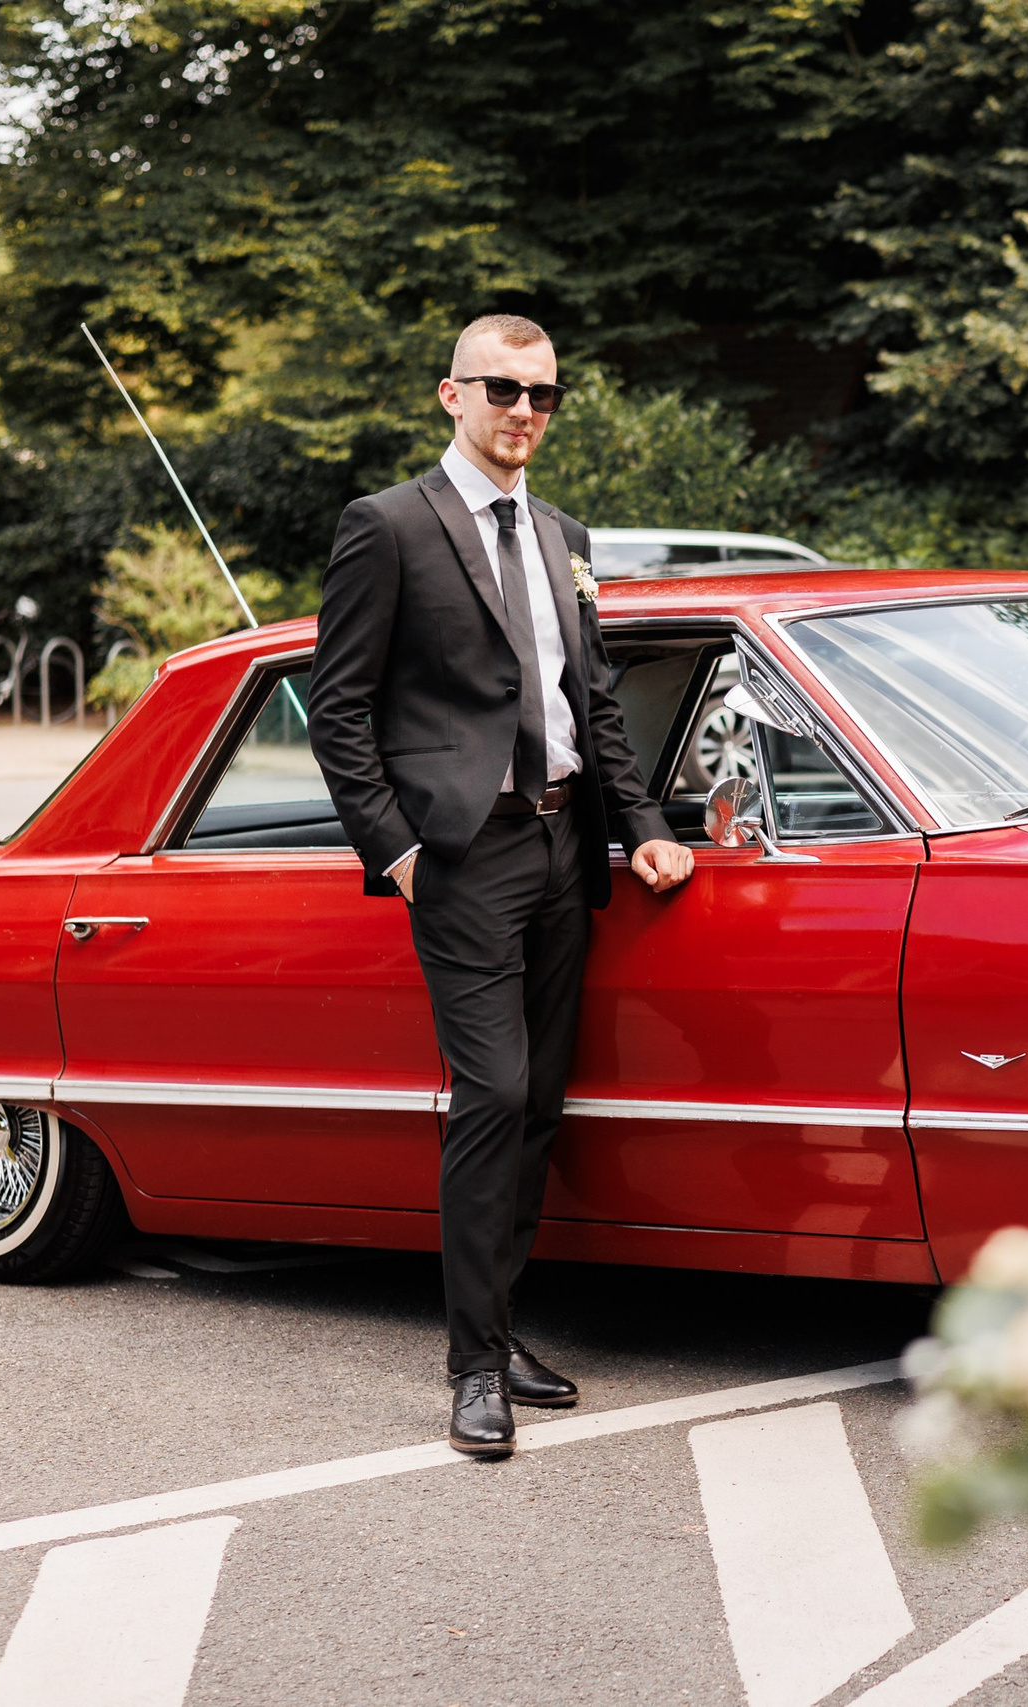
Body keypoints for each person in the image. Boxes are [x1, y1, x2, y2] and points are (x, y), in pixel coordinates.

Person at [308, 313, 694, 1458]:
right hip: (464, 855)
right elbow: (337, 710)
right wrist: (398, 852)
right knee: (493, 1094)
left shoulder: (564, 534)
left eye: (543, 395)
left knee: (537, 1106)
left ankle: (503, 1328)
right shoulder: (388, 525)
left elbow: (595, 702)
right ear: (452, 395)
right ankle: (472, 1368)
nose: (525, 411)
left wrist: (644, 827)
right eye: (503, 390)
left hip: (567, 846)